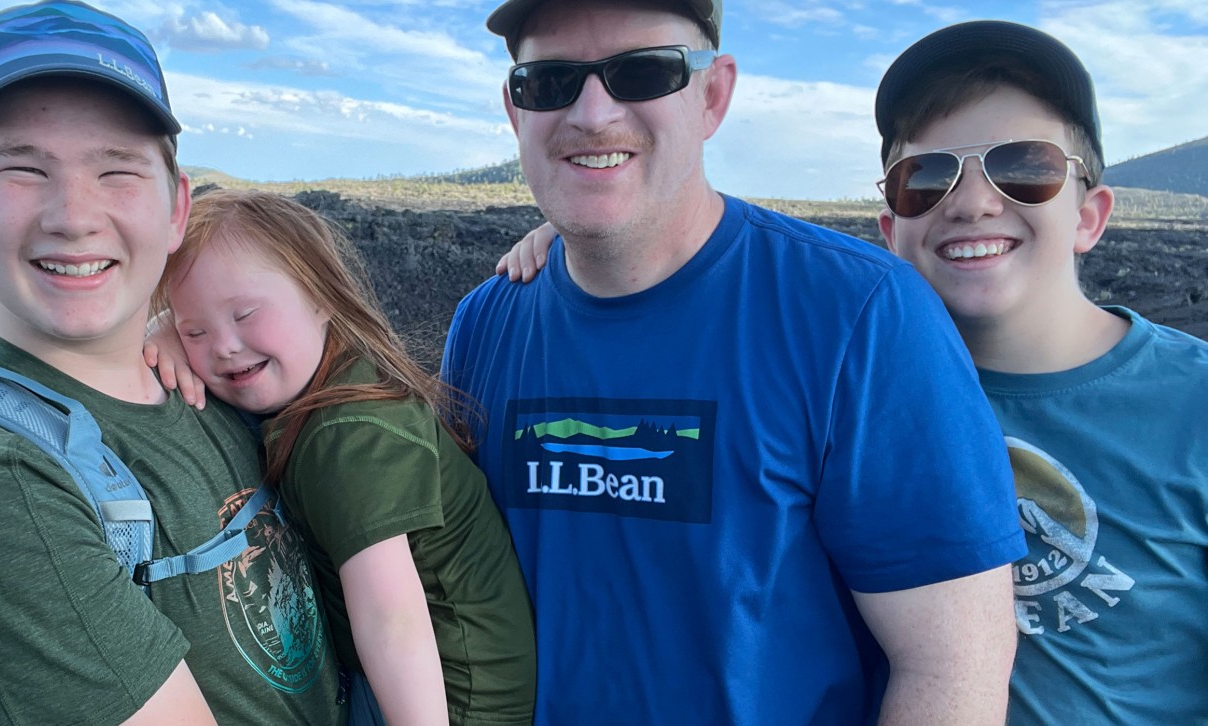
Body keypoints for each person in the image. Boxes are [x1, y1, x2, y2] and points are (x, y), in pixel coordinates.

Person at [442, 0, 1026, 722]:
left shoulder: (860, 316)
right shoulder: (484, 325)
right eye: (550, 81)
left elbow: (952, 667)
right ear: (514, 110)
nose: (592, 112)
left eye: (641, 72)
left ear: (712, 94)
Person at [0, 2, 344, 724]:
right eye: (23, 168)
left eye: (118, 171)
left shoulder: (212, 370)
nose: (74, 216)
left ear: (177, 209)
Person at [873, 20, 1208, 724]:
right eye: (925, 178)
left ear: (1089, 215)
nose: (970, 202)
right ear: (889, 229)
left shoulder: (1194, 404)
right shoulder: (857, 400)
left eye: (1023, 168)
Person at [150, 188, 536, 725]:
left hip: (447, 699)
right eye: (196, 330)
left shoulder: (349, 436)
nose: (224, 346)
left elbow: (392, 621)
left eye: (245, 314)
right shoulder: (332, 378)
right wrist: (159, 331)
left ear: (321, 297)